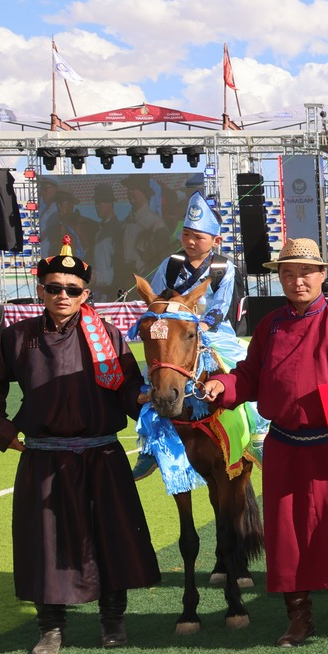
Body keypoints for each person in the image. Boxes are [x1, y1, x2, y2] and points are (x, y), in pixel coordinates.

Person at [0, 238, 161, 654]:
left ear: (85, 295)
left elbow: (128, 388)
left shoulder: (107, 335)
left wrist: (145, 399)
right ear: (41, 290)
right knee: (47, 543)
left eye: (72, 290)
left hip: (101, 454)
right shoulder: (18, 337)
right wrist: (0, 428)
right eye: (54, 287)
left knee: (110, 538)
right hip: (45, 456)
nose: (63, 295)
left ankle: (112, 620)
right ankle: (51, 628)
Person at [201, 238, 328, 646]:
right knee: (289, 536)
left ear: (323, 275)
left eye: (305, 272)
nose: (297, 281)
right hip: (287, 445)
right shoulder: (270, 326)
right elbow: (249, 376)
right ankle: (299, 618)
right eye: (287, 274)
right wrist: (223, 385)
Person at [135, 192, 256, 482]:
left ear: (216, 240)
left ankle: (259, 431)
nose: (190, 242)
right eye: (186, 234)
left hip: (214, 331)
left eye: (198, 237)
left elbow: (222, 306)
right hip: (174, 331)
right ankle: (150, 445)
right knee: (150, 376)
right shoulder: (171, 264)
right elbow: (157, 299)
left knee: (245, 364)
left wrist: (201, 325)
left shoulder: (223, 267)